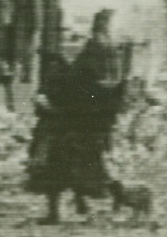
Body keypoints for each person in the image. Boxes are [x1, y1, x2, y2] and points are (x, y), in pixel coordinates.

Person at [26, 52, 125, 224]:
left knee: (85, 177)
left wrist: (50, 108)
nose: (52, 71)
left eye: (55, 67)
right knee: (58, 179)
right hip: (62, 142)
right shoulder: (66, 86)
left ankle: (93, 207)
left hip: (73, 142)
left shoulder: (75, 88)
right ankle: (64, 211)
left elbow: (74, 111)